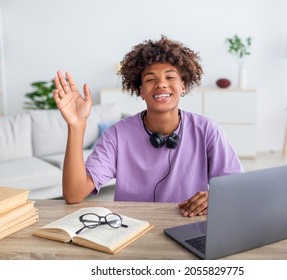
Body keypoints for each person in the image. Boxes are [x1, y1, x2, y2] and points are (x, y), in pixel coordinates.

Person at [53, 36, 243, 217]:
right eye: (151, 79)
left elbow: (238, 188)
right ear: (141, 91)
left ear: (183, 86)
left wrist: (215, 197)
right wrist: (76, 126)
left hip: (188, 224)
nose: (161, 84)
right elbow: (74, 194)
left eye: (170, 77)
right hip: (130, 229)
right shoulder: (117, 135)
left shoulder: (206, 130)